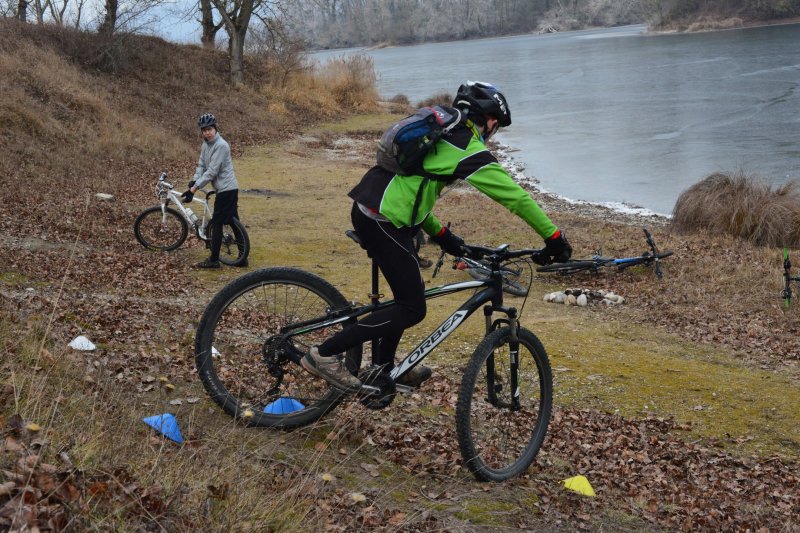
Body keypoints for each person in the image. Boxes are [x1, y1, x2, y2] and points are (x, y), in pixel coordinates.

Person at [301, 81, 572, 390]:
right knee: (412, 307)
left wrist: (444, 235)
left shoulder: (444, 136)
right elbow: (515, 197)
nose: (495, 133)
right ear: (490, 121)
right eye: (497, 126)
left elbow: (415, 191)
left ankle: (384, 369)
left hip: (382, 212)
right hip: (380, 218)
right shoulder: (465, 146)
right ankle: (323, 353)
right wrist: (554, 237)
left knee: (406, 296)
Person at [182, 113, 242, 269]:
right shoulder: (205, 145)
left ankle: (214, 260)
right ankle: (242, 257)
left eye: (209, 129)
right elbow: (201, 166)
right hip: (224, 189)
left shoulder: (221, 145)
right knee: (233, 221)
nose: (207, 132)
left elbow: (212, 171)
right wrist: (194, 180)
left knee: (217, 223)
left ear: (215, 129)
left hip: (227, 189)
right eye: (204, 130)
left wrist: (194, 189)